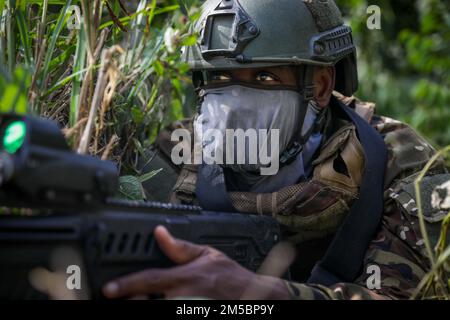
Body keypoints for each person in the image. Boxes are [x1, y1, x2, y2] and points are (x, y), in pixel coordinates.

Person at [102, 0, 449, 300]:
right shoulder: (169, 160)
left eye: (264, 77)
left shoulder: (398, 163)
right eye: (220, 78)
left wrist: (256, 294)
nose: (235, 104)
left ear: (321, 86)